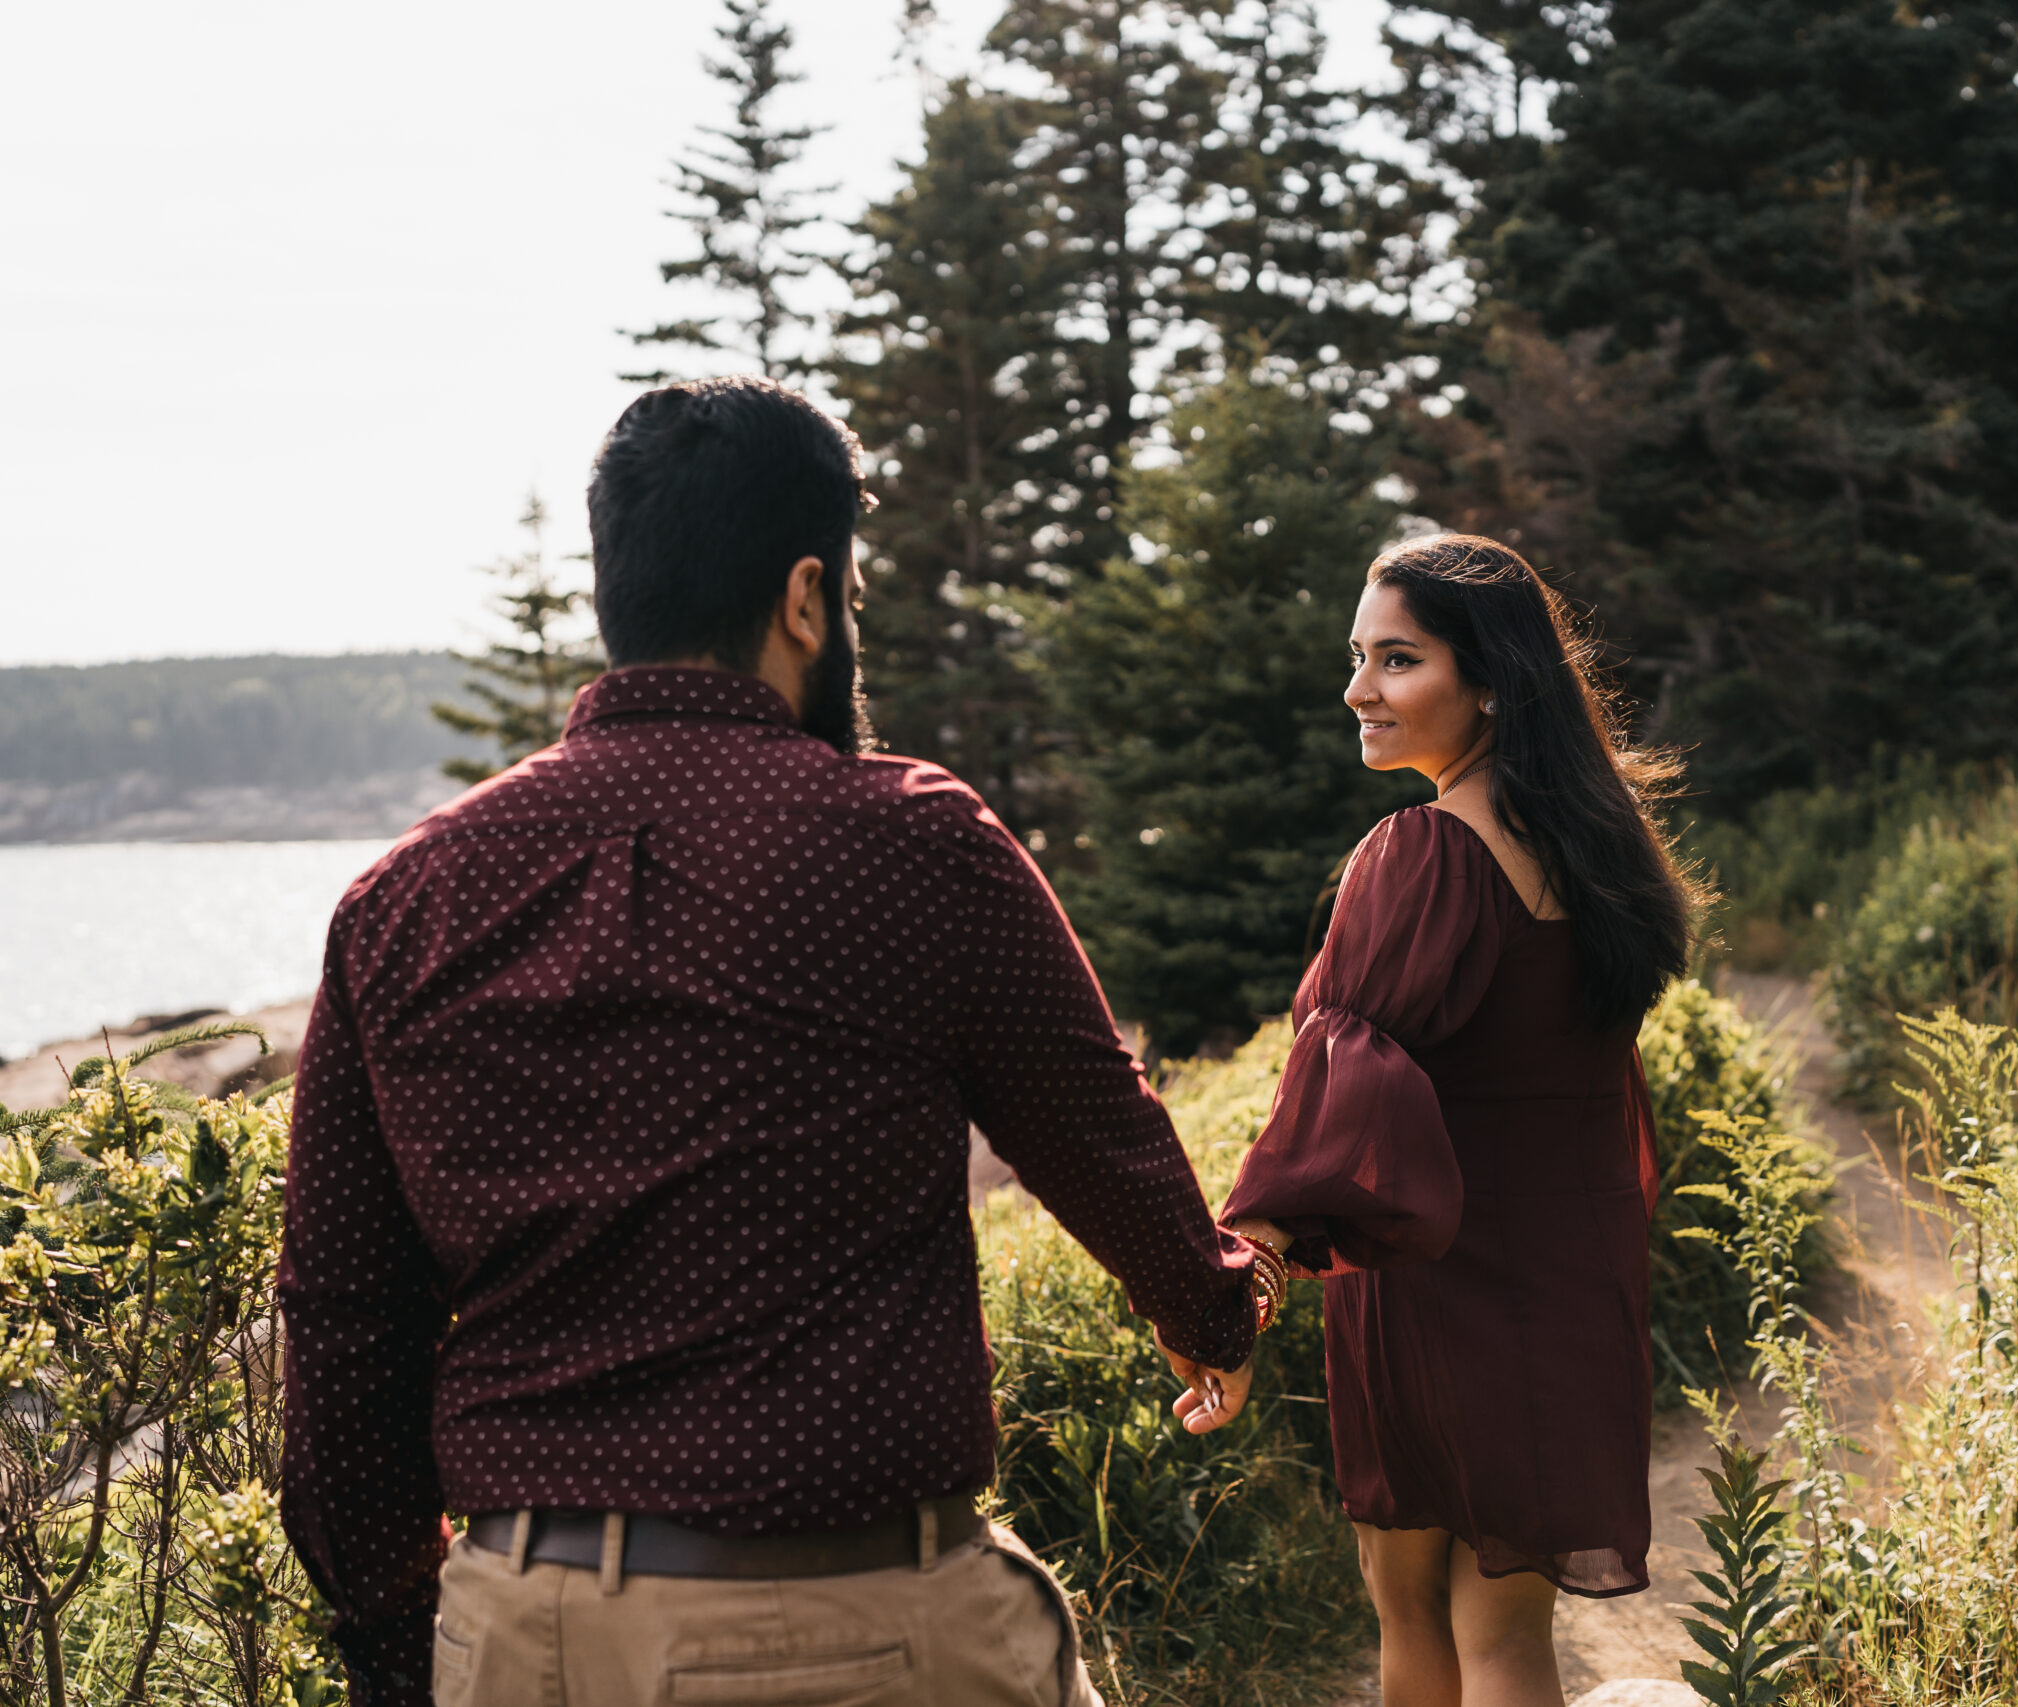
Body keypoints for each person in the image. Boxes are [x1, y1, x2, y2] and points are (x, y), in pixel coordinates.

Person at [277, 376, 1273, 1707]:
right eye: (850, 601)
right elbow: (1096, 1128)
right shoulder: (914, 842)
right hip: (857, 1624)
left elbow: (343, 1318)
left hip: (522, 1630)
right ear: (806, 598)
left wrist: (406, 1637)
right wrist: (1208, 1300)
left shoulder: (403, 896)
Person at [1219, 533, 1696, 1707]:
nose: (1358, 692)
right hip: (1570, 1281)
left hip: (1434, 1286)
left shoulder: (1423, 848)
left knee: (1416, 1622)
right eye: (1357, 659)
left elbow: (1340, 1079)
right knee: (1510, 1641)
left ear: (1488, 678)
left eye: (1396, 660)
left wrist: (1256, 1255)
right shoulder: (1597, 850)